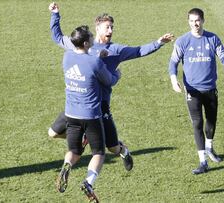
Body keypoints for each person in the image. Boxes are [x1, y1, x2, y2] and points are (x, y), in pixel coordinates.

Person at [48, 2, 174, 171]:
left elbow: (139, 51)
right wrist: (55, 14)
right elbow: (57, 37)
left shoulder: (116, 50)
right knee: (53, 133)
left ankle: (125, 152)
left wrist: (159, 42)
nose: (110, 30)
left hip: (100, 106)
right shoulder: (79, 44)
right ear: (97, 28)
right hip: (77, 106)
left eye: (112, 27)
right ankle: (83, 137)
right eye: (107, 27)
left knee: (112, 148)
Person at [168, 8, 224, 175]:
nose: (195, 24)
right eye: (192, 21)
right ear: (188, 22)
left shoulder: (212, 38)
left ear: (203, 20)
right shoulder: (182, 41)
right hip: (192, 90)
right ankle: (203, 161)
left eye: (198, 20)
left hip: (210, 89)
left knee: (211, 121)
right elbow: (173, 63)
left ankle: (209, 147)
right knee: (197, 123)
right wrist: (174, 80)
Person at [56, 25, 120, 202]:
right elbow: (109, 81)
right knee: (98, 153)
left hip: (71, 113)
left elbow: (83, 61)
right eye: (91, 37)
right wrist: (117, 74)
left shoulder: (67, 56)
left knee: (74, 151)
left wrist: (98, 56)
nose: (93, 39)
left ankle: (67, 165)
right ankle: (89, 182)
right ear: (85, 43)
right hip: (90, 115)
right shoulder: (95, 62)